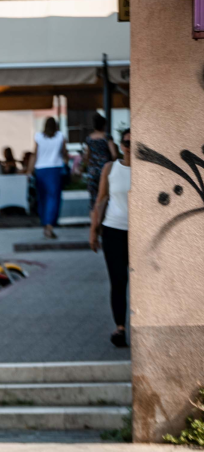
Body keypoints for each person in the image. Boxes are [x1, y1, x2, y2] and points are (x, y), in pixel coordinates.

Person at [90, 129, 131, 348]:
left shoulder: (149, 170)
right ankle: (120, 328)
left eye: (134, 143)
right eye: (126, 142)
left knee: (142, 283)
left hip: (140, 233)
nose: (129, 146)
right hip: (113, 229)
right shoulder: (110, 168)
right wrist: (93, 230)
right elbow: (101, 199)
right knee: (118, 281)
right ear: (121, 145)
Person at [27, 117, 68, 239]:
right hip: (55, 169)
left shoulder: (38, 136)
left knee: (42, 198)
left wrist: (29, 170)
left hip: (40, 169)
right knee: (54, 198)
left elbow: (35, 154)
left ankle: (45, 224)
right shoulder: (61, 136)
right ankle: (50, 225)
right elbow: (64, 153)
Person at [81, 113, 118, 211]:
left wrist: (87, 166)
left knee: (93, 198)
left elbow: (87, 156)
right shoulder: (107, 137)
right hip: (105, 169)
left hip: (92, 170)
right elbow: (114, 154)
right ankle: (103, 219)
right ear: (103, 125)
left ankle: (94, 218)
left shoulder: (89, 138)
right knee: (106, 195)